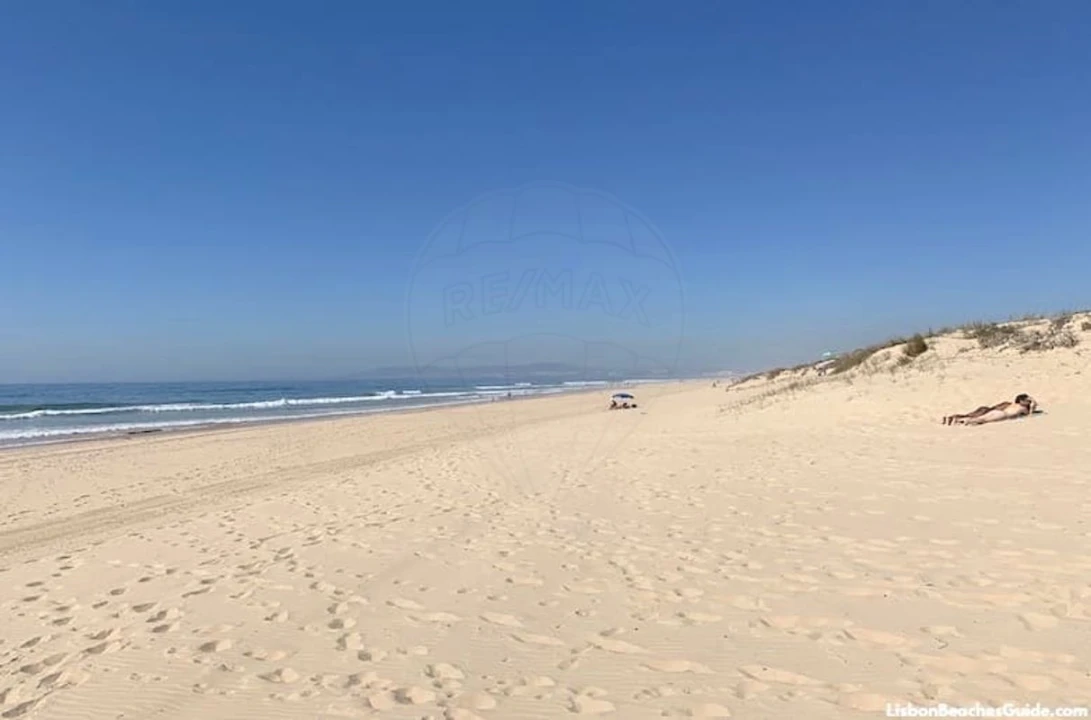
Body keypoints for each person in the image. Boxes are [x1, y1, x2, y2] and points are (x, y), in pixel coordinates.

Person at [942, 394, 1038, 426]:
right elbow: (1030, 412)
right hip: (1002, 414)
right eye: (1027, 401)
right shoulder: (1023, 408)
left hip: (997, 412)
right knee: (981, 419)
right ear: (1021, 400)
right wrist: (1033, 402)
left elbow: (996, 406)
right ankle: (959, 421)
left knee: (979, 417)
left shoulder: (1010, 404)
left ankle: (955, 419)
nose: (1029, 402)